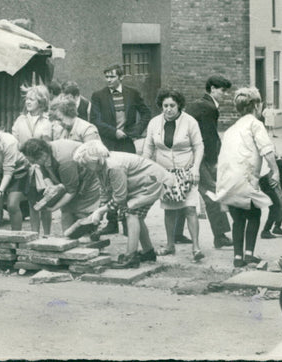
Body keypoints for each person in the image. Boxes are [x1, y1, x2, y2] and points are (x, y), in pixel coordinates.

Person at [73, 140, 172, 268]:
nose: (84, 167)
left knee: (130, 212)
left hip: (151, 182)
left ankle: (131, 257)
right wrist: (99, 212)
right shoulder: (101, 167)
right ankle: (148, 252)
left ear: (94, 160)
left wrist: (101, 211)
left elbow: (120, 198)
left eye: (85, 164)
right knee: (136, 216)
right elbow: (105, 190)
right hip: (141, 184)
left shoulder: (114, 166)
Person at [214, 87, 279, 268]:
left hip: (228, 180)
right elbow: (266, 148)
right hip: (245, 179)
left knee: (238, 219)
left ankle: (237, 257)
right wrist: (275, 170)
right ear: (257, 105)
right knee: (255, 214)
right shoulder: (255, 124)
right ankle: (249, 254)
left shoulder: (231, 129)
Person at [142, 88, 205, 261]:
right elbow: (148, 147)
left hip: (186, 171)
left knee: (190, 208)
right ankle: (170, 245)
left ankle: (196, 248)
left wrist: (196, 169)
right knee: (169, 210)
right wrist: (145, 169)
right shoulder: (154, 123)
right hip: (165, 172)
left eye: (172, 105)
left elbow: (199, 146)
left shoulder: (190, 122)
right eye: (165, 106)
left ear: (179, 106)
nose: (168, 109)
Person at [90, 64, 152, 237]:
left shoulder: (132, 93)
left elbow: (146, 113)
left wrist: (134, 132)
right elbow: (95, 119)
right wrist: (112, 132)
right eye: (106, 77)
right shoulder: (98, 96)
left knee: (129, 181)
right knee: (109, 183)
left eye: (112, 77)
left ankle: (127, 221)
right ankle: (111, 222)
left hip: (126, 143)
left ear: (121, 77)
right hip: (108, 144)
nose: (109, 80)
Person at [183, 75, 233, 249]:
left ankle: (175, 234)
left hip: (186, 155)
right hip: (200, 158)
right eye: (222, 90)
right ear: (212, 89)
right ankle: (220, 236)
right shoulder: (209, 107)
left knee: (183, 192)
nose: (225, 95)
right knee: (212, 194)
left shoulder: (199, 104)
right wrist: (214, 161)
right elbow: (209, 137)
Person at [20, 138, 102, 232]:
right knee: (67, 213)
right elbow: (44, 172)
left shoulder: (64, 160)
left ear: (42, 155)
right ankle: (69, 237)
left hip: (89, 180)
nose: (33, 164)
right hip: (72, 180)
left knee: (84, 215)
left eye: (33, 161)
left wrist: (53, 208)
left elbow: (71, 191)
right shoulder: (44, 153)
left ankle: (91, 238)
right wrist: (51, 187)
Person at [11, 84, 53, 234]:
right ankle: (34, 234)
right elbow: (15, 142)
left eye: (32, 100)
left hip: (43, 167)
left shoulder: (47, 121)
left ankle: (47, 235)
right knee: (32, 202)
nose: (28, 102)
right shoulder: (20, 120)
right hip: (26, 166)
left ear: (41, 102)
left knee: (46, 202)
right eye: (27, 99)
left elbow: (49, 146)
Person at [259, 151, 282, 239]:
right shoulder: (279, 168)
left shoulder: (280, 173)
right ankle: (265, 231)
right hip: (269, 184)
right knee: (277, 207)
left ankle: (277, 226)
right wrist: (281, 159)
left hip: (268, 182)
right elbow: (279, 164)